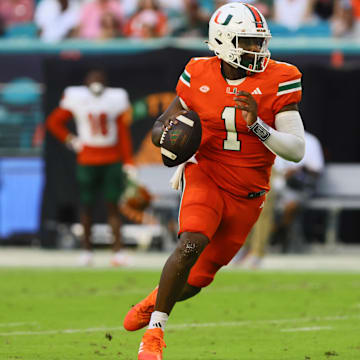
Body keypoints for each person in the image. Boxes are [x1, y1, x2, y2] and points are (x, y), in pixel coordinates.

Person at [123, 2, 305, 359]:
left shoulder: (280, 77)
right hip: (206, 173)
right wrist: (165, 136)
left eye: (259, 42)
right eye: (248, 42)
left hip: (249, 194)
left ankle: (154, 300)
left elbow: (296, 150)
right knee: (191, 242)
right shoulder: (198, 71)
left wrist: (257, 125)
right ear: (223, 42)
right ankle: (154, 335)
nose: (258, 50)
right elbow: (164, 122)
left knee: (198, 279)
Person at [46, 69, 135, 266]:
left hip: (111, 157)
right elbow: (54, 122)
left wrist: (128, 160)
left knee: (113, 206)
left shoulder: (115, 98)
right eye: (93, 79)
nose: (96, 83)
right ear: (85, 83)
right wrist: (71, 140)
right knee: (86, 206)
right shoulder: (76, 97)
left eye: (100, 79)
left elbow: (122, 131)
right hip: (87, 158)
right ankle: (87, 250)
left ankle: (118, 252)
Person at [271, 130, 324, 253]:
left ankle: (279, 231)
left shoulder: (310, 141)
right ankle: (273, 233)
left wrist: (299, 170)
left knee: (290, 205)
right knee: (259, 204)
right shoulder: (277, 138)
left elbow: (317, 169)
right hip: (277, 185)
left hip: (300, 187)